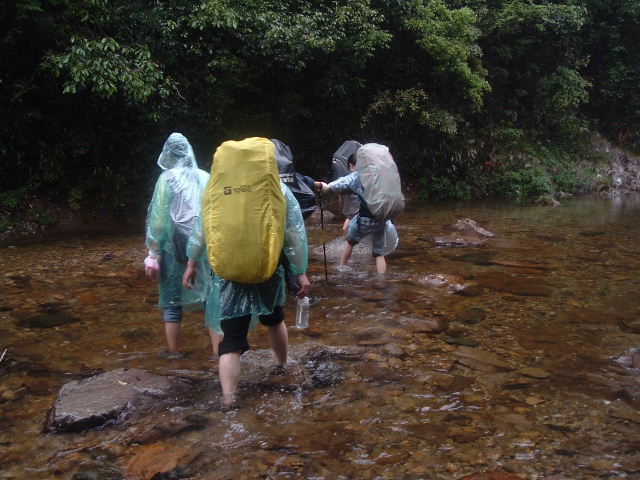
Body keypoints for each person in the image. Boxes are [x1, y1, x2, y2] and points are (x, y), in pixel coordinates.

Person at [182, 140, 311, 408]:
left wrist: (192, 263)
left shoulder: (215, 189)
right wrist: (300, 271)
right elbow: (294, 234)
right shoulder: (278, 189)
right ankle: (282, 365)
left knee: (230, 340)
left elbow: (201, 230)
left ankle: (229, 400)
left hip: (228, 273)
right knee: (274, 319)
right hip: (267, 267)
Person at [144, 133, 222, 358]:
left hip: (173, 248)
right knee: (210, 299)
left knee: (172, 302)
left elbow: (158, 219)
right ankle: (218, 355)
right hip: (205, 246)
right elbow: (215, 214)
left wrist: (153, 252)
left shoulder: (166, 179)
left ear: (168, 153)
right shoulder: (205, 177)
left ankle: (174, 354)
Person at [316, 153, 398, 274]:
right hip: (381, 220)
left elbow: (342, 182)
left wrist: (327, 187)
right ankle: (381, 279)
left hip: (363, 220)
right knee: (379, 253)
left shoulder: (357, 176)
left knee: (350, 241)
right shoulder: (380, 174)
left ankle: (342, 266)